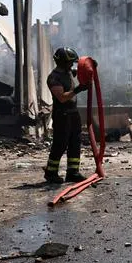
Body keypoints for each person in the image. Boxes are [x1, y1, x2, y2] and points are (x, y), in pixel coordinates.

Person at [44, 47, 89, 184]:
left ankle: (73, 172)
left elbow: (78, 71)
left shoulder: (68, 72)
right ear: (63, 62)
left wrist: (88, 69)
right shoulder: (54, 78)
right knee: (60, 144)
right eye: (70, 63)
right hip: (62, 114)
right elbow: (62, 98)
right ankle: (51, 173)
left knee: (75, 143)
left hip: (73, 113)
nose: (72, 65)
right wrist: (78, 89)